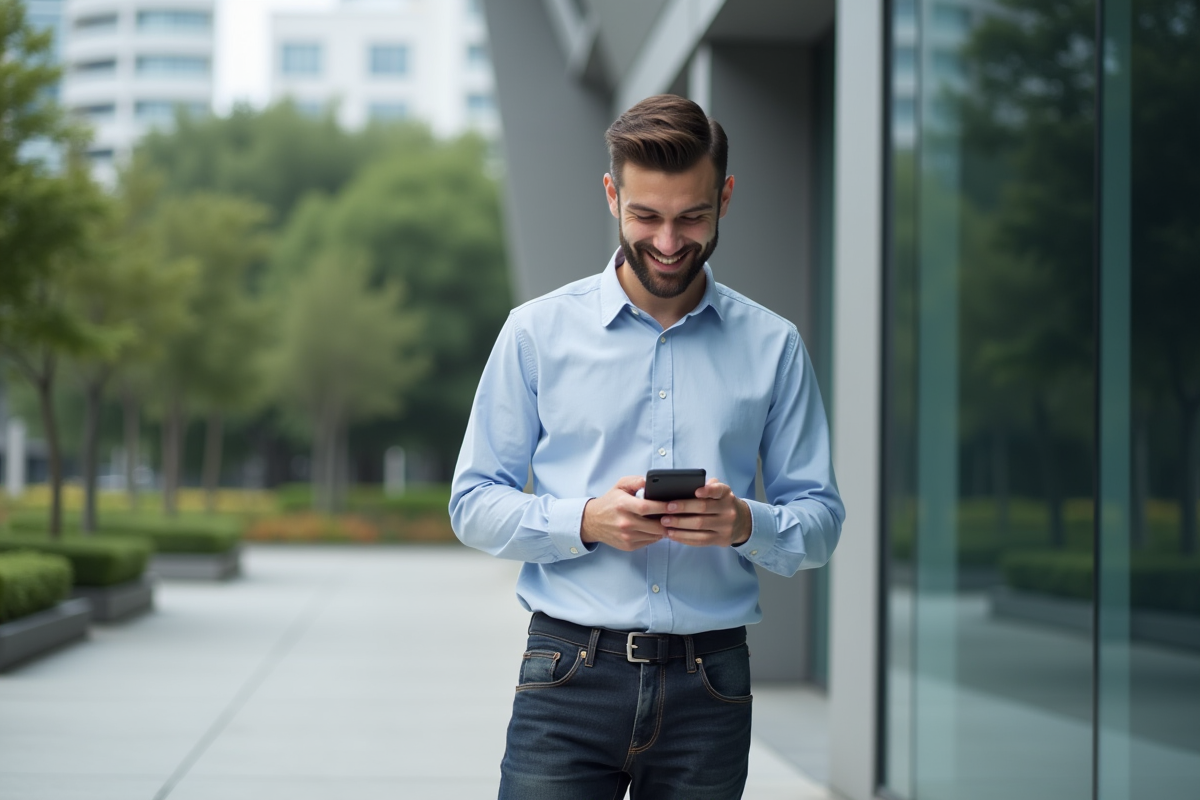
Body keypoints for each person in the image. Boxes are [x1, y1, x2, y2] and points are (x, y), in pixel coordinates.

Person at [449, 94, 844, 800]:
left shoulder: (774, 345)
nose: (667, 241)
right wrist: (584, 521)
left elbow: (820, 522)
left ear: (725, 197)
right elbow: (472, 504)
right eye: (646, 216)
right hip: (568, 674)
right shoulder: (536, 333)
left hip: (711, 686)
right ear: (612, 195)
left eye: (691, 216)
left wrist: (743, 522)